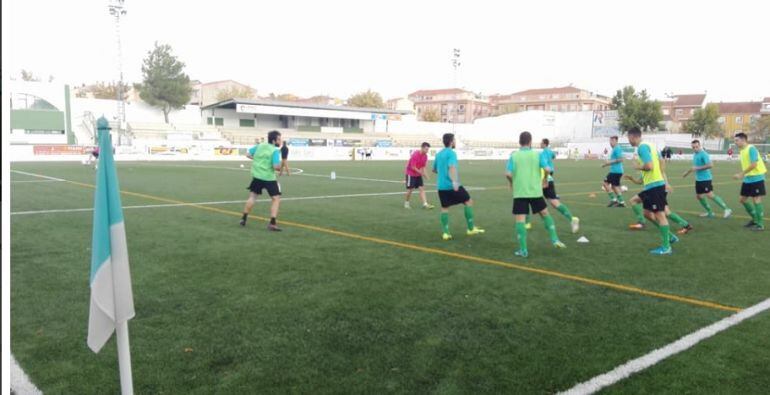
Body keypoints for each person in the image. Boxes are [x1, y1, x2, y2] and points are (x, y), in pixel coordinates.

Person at [626, 127, 691, 255]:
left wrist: (637, 166)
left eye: (628, 138)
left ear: (633, 136)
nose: (629, 140)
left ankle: (666, 247)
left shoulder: (642, 147)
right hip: (652, 186)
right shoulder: (651, 145)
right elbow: (661, 163)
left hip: (655, 186)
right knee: (647, 213)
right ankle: (670, 237)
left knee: (660, 215)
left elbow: (649, 166)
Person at [506, 132, 566, 258]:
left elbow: (508, 174)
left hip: (520, 192)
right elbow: (548, 169)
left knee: (520, 220)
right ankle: (555, 239)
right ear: (530, 142)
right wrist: (544, 179)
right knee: (545, 214)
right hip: (535, 191)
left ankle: (523, 250)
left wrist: (512, 183)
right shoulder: (537, 155)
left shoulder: (514, 156)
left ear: (519, 142)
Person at [433, 133, 484, 240]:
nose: (455, 142)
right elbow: (452, 167)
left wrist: (443, 173)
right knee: (468, 201)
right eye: (454, 140)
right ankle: (470, 229)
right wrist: (454, 181)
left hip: (441, 186)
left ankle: (446, 233)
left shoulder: (438, 154)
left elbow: (434, 170)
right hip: (451, 185)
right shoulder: (451, 153)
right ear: (451, 142)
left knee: (445, 208)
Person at [240, 130, 283, 231]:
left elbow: (247, 154)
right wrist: (280, 167)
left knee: (252, 197)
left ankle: (244, 218)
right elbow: (276, 166)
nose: (280, 141)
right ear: (274, 141)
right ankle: (272, 223)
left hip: (257, 176)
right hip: (269, 178)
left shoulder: (260, 146)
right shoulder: (275, 150)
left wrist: (257, 160)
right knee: (276, 199)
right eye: (279, 139)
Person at [538, 138, 580, 233]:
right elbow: (553, 156)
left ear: (544, 144)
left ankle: (526, 223)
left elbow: (546, 168)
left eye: (541, 143)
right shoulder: (550, 152)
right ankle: (572, 219)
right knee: (553, 202)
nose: (540, 144)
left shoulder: (542, 153)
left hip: (543, 179)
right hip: (549, 177)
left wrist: (544, 179)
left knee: (529, 200)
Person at [682, 139, 732, 218]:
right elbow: (694, 167)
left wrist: (697, 168)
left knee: (710, 195)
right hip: (698, 179)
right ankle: (710, 212)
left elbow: (710, 165)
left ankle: (727, 209)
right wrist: (687, 173)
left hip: (706, 179)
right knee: (699, 196)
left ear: (699, 146)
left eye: (696, 147)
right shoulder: (695, 154)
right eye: (693, 147)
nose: (695, 149)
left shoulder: (703, 154)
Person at [733, 132, 766, 231]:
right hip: (748, 178)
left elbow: (754, 164)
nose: (735, 142)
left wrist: (741, 174)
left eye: (736, 140)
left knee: (756, 200)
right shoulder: (742, 151)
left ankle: (760, 224)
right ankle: (755, 220)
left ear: (743, 140)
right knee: (742, 200)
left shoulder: (751, 149)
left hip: (757, 177)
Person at [404, 142, 435, 209]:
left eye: (428, 149)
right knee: (410, 189)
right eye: (426, 149)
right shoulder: (415, 155)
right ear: (422, 148)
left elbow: (423, 167)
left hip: (418, 174)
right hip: (410, 174)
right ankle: (406, 203)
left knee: (422, 188)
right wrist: (421, 173)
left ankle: (425, 204)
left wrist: (426, 175)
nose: (427, 151)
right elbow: (413, 167)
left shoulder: (425, 156)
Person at [601, 136, 626, 207]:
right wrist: (606, 165)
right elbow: (615, 160)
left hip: (615, 171)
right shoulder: (615, 149)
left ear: (616, 141)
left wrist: (608, 163)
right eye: (610, 141)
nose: (610, 143)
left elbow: (621, 159)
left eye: (612, 141)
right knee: (614, 187)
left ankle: (613, 200)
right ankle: (621, 202)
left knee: (605, 183)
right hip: (616, 171)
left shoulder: (617, 148)